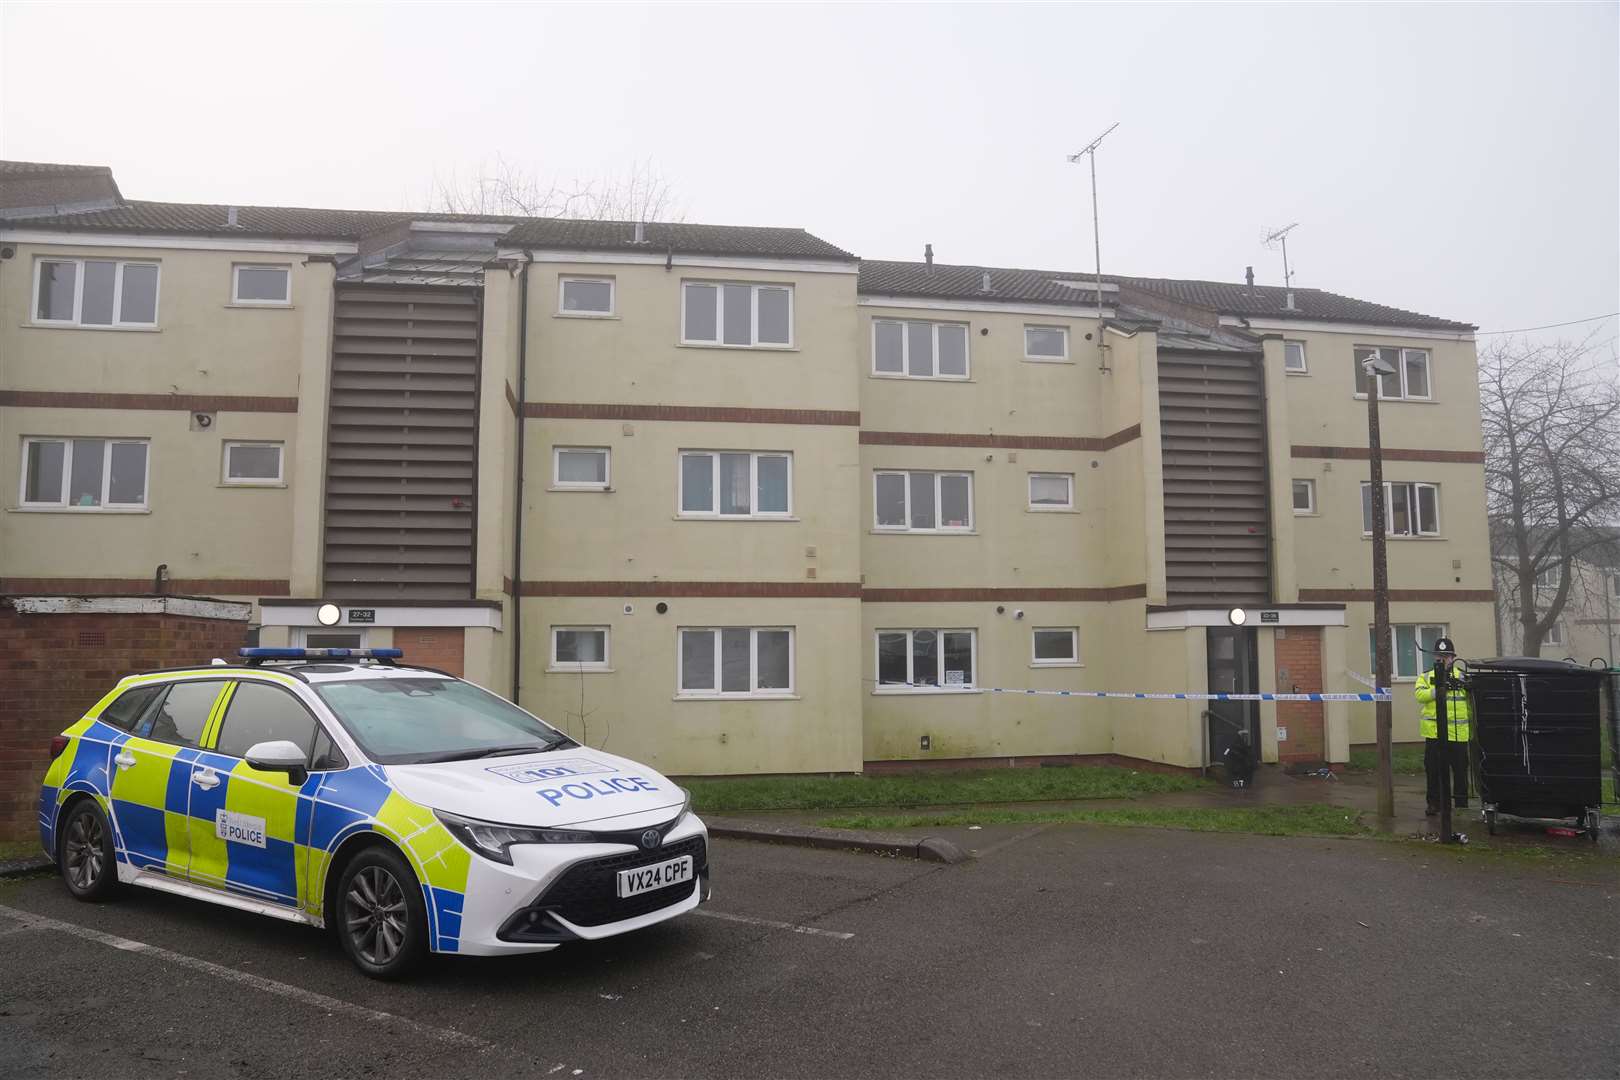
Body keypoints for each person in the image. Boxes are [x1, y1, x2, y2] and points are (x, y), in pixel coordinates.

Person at [1413, 637, 1471, 815]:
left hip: (1458, 734)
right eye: (1439, 655)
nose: (1442, 659)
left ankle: (1461, 803)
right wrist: (1437, 689)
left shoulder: (1462, 676)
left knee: (1460, 771)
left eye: (1446, 656)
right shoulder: (1425, 676)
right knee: (1433, 771)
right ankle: (1434, 804)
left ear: (1453, 657)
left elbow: (1471, 701)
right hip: (1435, 734)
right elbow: (1419, 695)